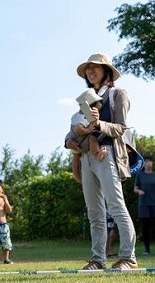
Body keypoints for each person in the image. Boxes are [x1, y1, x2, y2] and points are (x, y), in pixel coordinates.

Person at [64, 53, 138, 270]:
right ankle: (98, 259)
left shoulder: (118, 94)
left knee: (115, 206)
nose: (90, 71)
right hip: (86, 157)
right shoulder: (86, 99)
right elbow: (76, 126)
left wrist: (98, 125)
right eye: (88, 68)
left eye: (95, 67)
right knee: (94, 212)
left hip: (107, 154)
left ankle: (128, 257)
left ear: (107, 71)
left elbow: (121, 128)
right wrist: (68, 141)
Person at [69, 89, 107, 183]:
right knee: (93, 139)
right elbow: (78, 129)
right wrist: (88, 130)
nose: (101, 105)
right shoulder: (83, 116)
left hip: (76, 143)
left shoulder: (78, 115)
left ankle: (78, 177)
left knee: (75, 158)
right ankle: (97, 153)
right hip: (79, 141)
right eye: (99, 103)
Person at [134, 156, 155, 255]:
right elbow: (135, 188)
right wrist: (139, 191)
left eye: (150, 161)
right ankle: (147, 249)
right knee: (145, 227)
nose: (148, 163)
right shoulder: (140, 175)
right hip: (144, 204)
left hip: (154, 203)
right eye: (146, 162)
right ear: (143, 164)